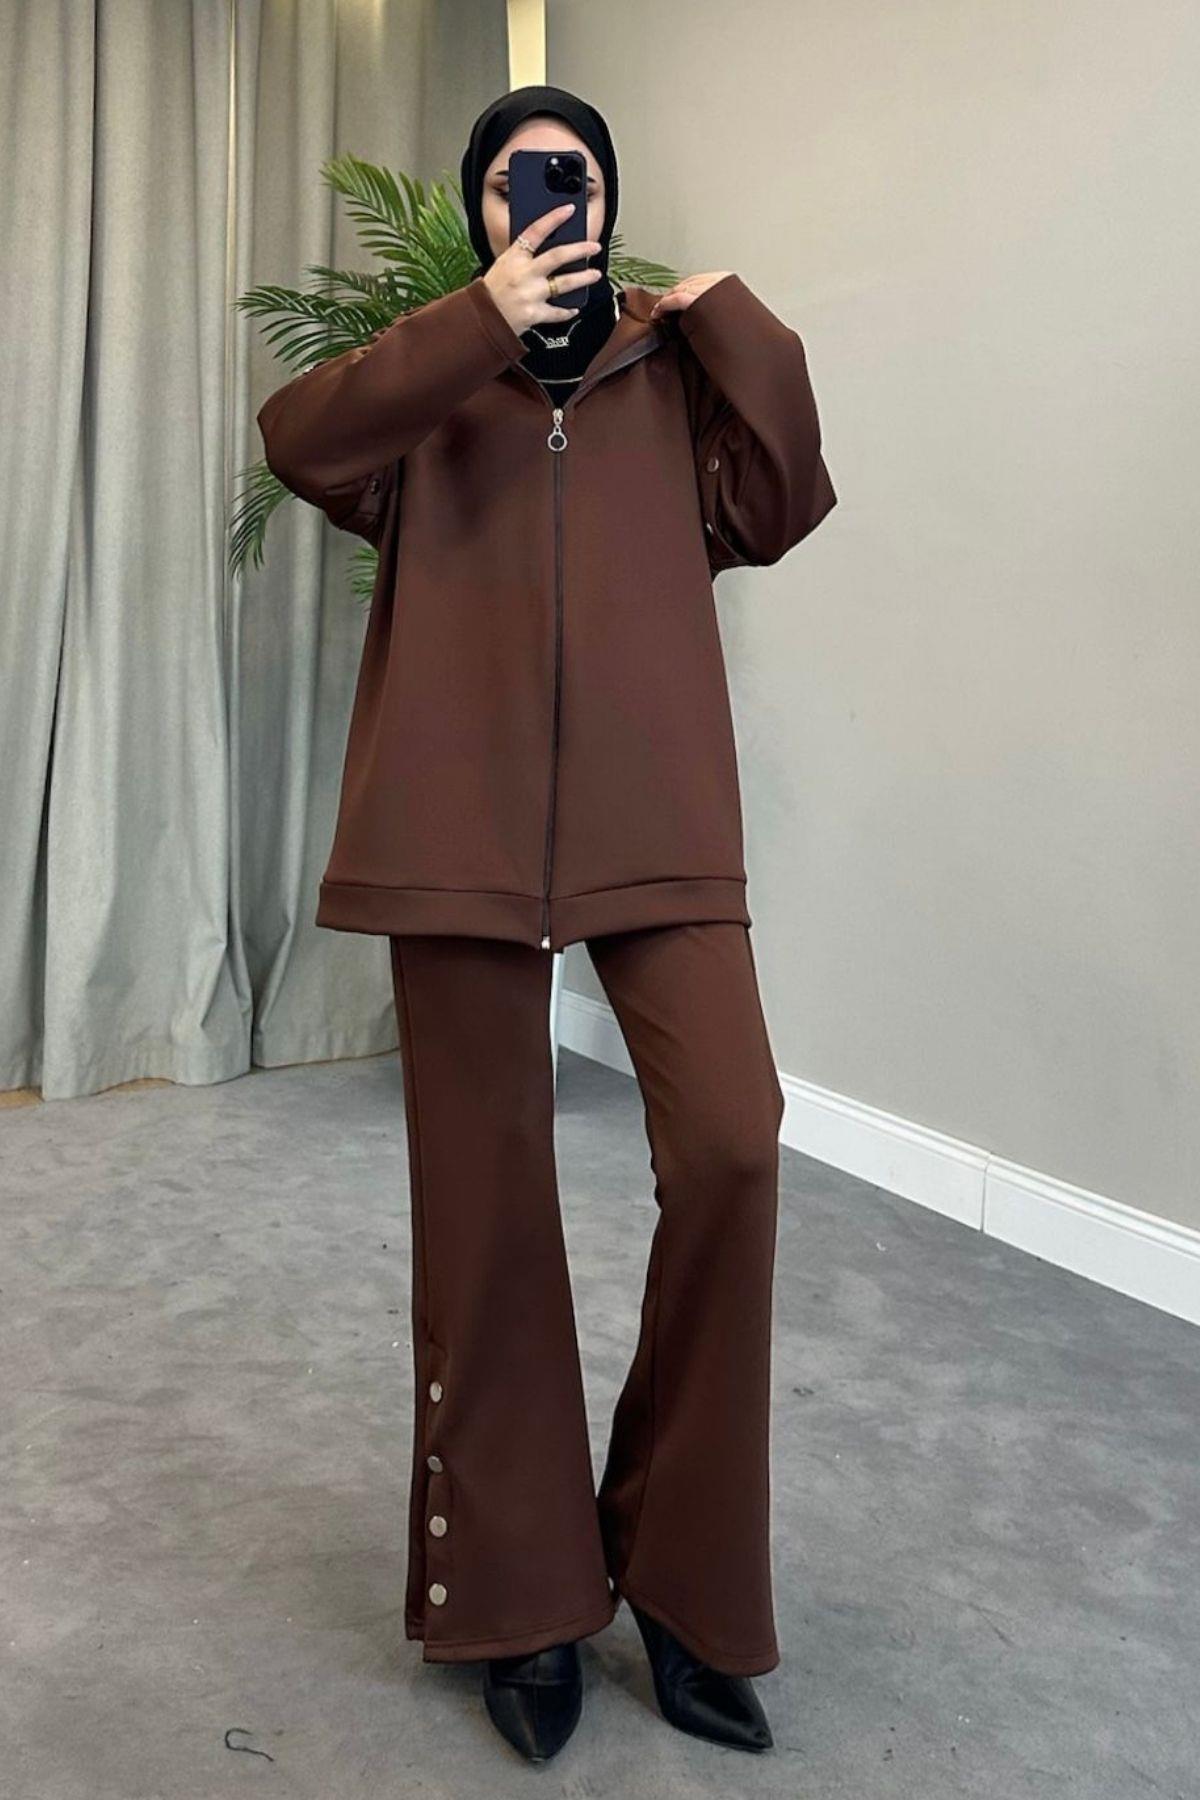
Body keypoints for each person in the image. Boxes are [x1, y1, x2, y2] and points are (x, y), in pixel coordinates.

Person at [258, 82, 836, 1765]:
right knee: (488, 1206)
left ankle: (685, 1578)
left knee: (732, 1146)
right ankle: (519, 1595)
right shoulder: (426, 390)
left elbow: (786, 498)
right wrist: (474, 326)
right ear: (480, 211)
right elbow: (299, 440)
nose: (547, 199)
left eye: (573, 175)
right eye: (516, 181)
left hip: (658, 831)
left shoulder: (675, 379)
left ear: (609, 199)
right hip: (457, 833)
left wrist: (730, 315)